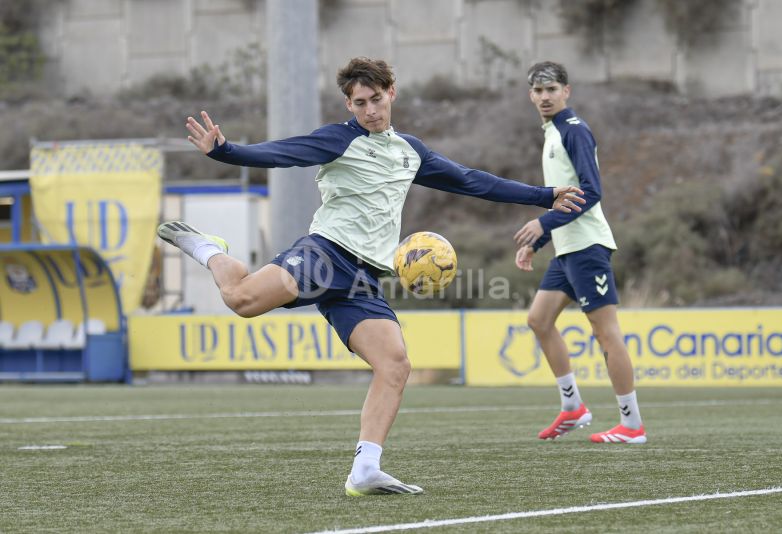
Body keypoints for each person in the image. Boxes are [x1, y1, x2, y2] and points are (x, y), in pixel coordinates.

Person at [159, 57, 586, 496]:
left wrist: (544, 195)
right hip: (324, 255)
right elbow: (280, 153)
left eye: (376, 100)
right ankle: (210, 249)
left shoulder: (410, 151)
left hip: (364, 277)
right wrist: (225, 151)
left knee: (395, 365)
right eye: (360, 103)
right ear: (349, 104)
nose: (370, 111)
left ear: (391, 93)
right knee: (242, 301)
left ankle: (365, 468)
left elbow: (472, 181)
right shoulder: (337, 139)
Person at [513, 61, 646, 444]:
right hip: (567, 249)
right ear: (530, 95)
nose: (544, 97)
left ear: (566, 92)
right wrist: (538, 243)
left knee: (607, 335)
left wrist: (543, 226)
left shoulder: (574, 131)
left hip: (588, 246)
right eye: (538, 91)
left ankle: (632, 425)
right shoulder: (551, 134)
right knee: (538, 321)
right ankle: (573, 408)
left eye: (551, 89)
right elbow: (564, 196)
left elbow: (591, 190)